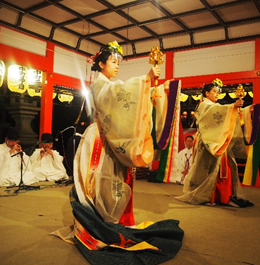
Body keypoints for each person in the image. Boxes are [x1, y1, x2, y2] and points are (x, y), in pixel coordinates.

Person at [53, 41, 183, 265]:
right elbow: (118, 96)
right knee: (99, 182)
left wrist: (154, 90)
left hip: (111, 138)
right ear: (100, 63)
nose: (116, 66)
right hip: (99, 140)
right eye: (113, 61)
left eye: (118, 63)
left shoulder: (111, 85)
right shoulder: (99, 86)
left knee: (116, 179)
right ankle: (100, 221)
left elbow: (129, 99)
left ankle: (116, 219)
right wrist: (146, 79)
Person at [175, 79, 255, 208]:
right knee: (207, 169)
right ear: (207, 93)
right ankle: (206, 196)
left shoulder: (213, 106)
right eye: (214, 92)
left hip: (218, 141)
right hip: (206, 142)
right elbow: (218, 111)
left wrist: (244, 110)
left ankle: (224, 196)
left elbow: (225, 114)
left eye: (218, 92)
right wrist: (233, 106)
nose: (217, 94)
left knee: (225, 168)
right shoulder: (203, 105)